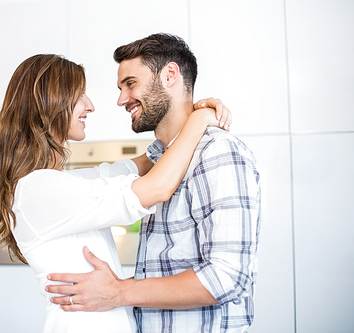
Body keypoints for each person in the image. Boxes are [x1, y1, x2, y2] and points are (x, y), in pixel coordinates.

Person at [0, 53, 231, 333]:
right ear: (49, 102)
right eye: (79, 95)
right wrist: (199, 120)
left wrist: (182, 119)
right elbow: (157, 187)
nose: (89, 106)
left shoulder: (59, 183)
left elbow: (137, 167)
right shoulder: (37, 190)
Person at [46, 34, 262, 333]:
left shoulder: (218, 152)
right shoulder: (161, 160)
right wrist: (198, 117)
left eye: (130, 84)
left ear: (170, 75)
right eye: (121, 88)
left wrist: (118, 292)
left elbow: (227, 277)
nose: (121, 99)